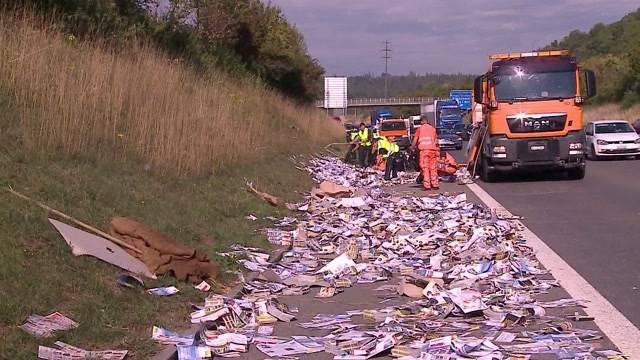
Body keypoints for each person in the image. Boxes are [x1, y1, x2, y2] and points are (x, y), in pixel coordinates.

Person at [412, 115, 439, 190]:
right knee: (433, 168)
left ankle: (427, 185)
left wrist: (412, 147)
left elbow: (415, 140)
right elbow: (436, 141)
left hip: (424, 151)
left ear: (421, 121)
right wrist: (437, 150)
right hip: (433, 150)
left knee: (425, 168)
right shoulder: (433, 129)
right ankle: (435, 184)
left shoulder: (420, 129)